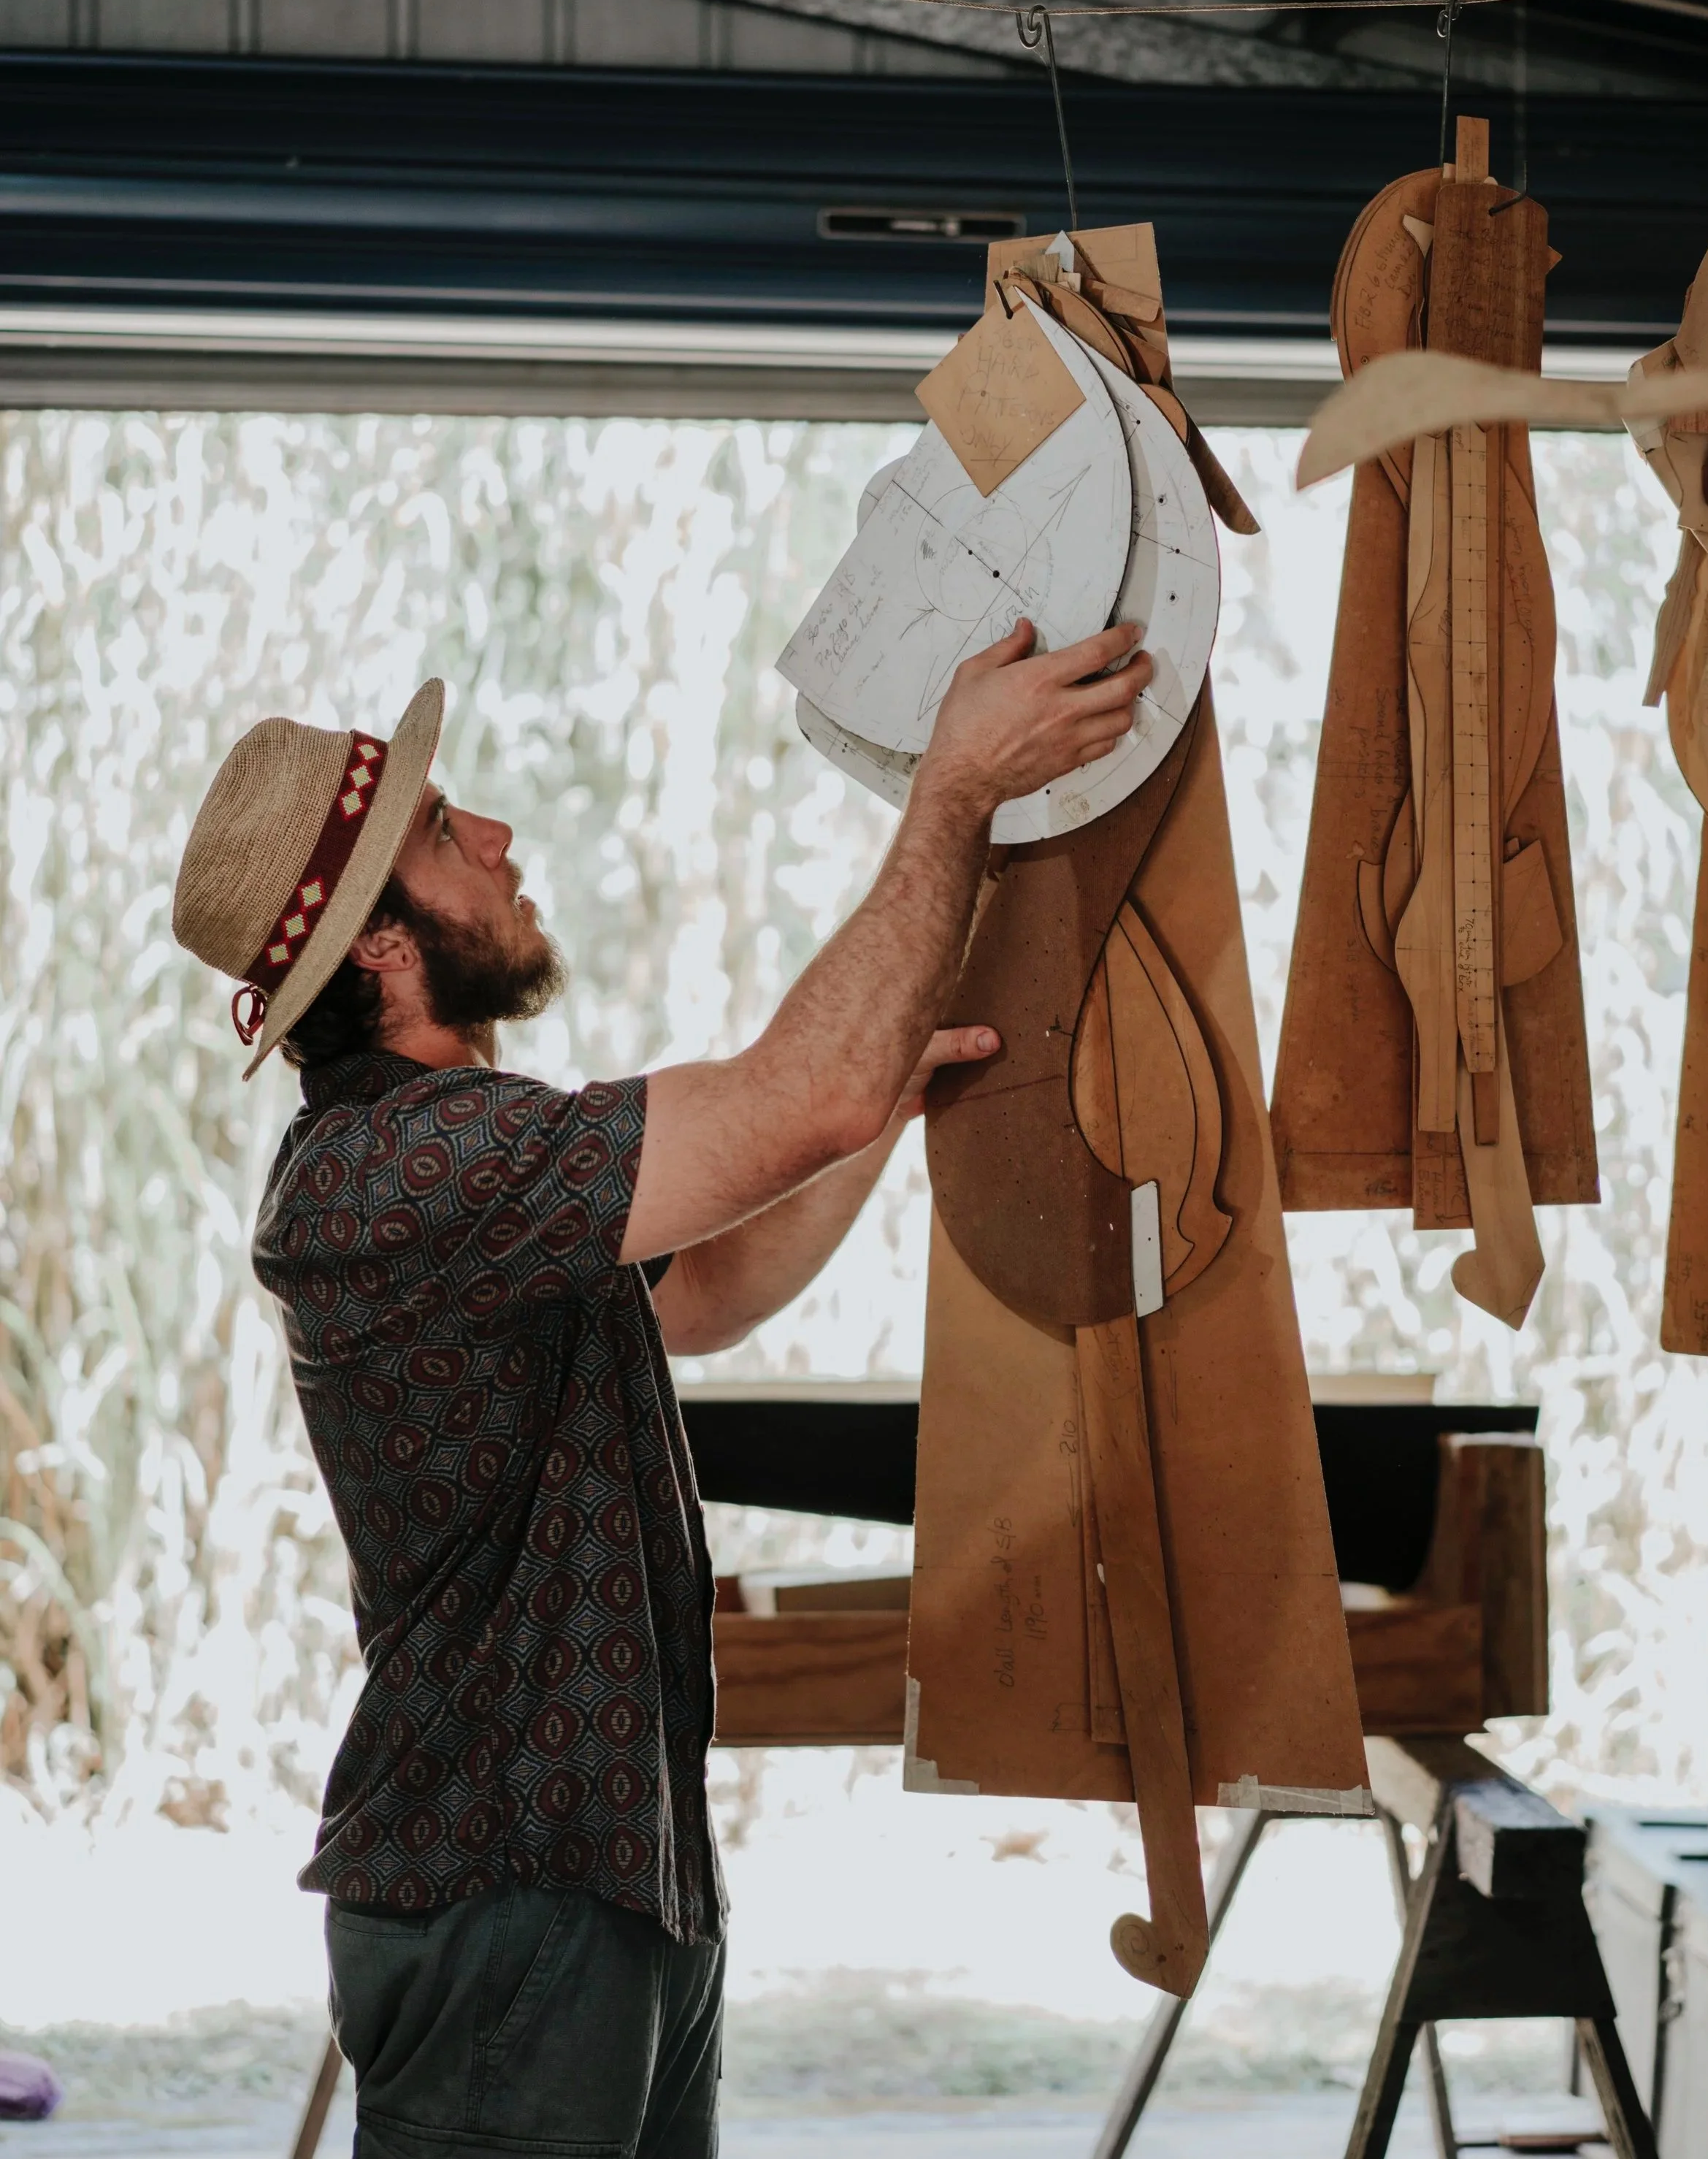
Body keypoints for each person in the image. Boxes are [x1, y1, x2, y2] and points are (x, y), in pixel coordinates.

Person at [171, 615, 1151, 2159]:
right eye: (441, 828)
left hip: (609, 1871)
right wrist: (950, 797)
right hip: (510, 1901)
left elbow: (707, 1289)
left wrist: (877, 1105)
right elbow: (786, 1095)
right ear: (379, 942)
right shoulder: (395, 1168)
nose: (491, 831)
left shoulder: (468, 1147)